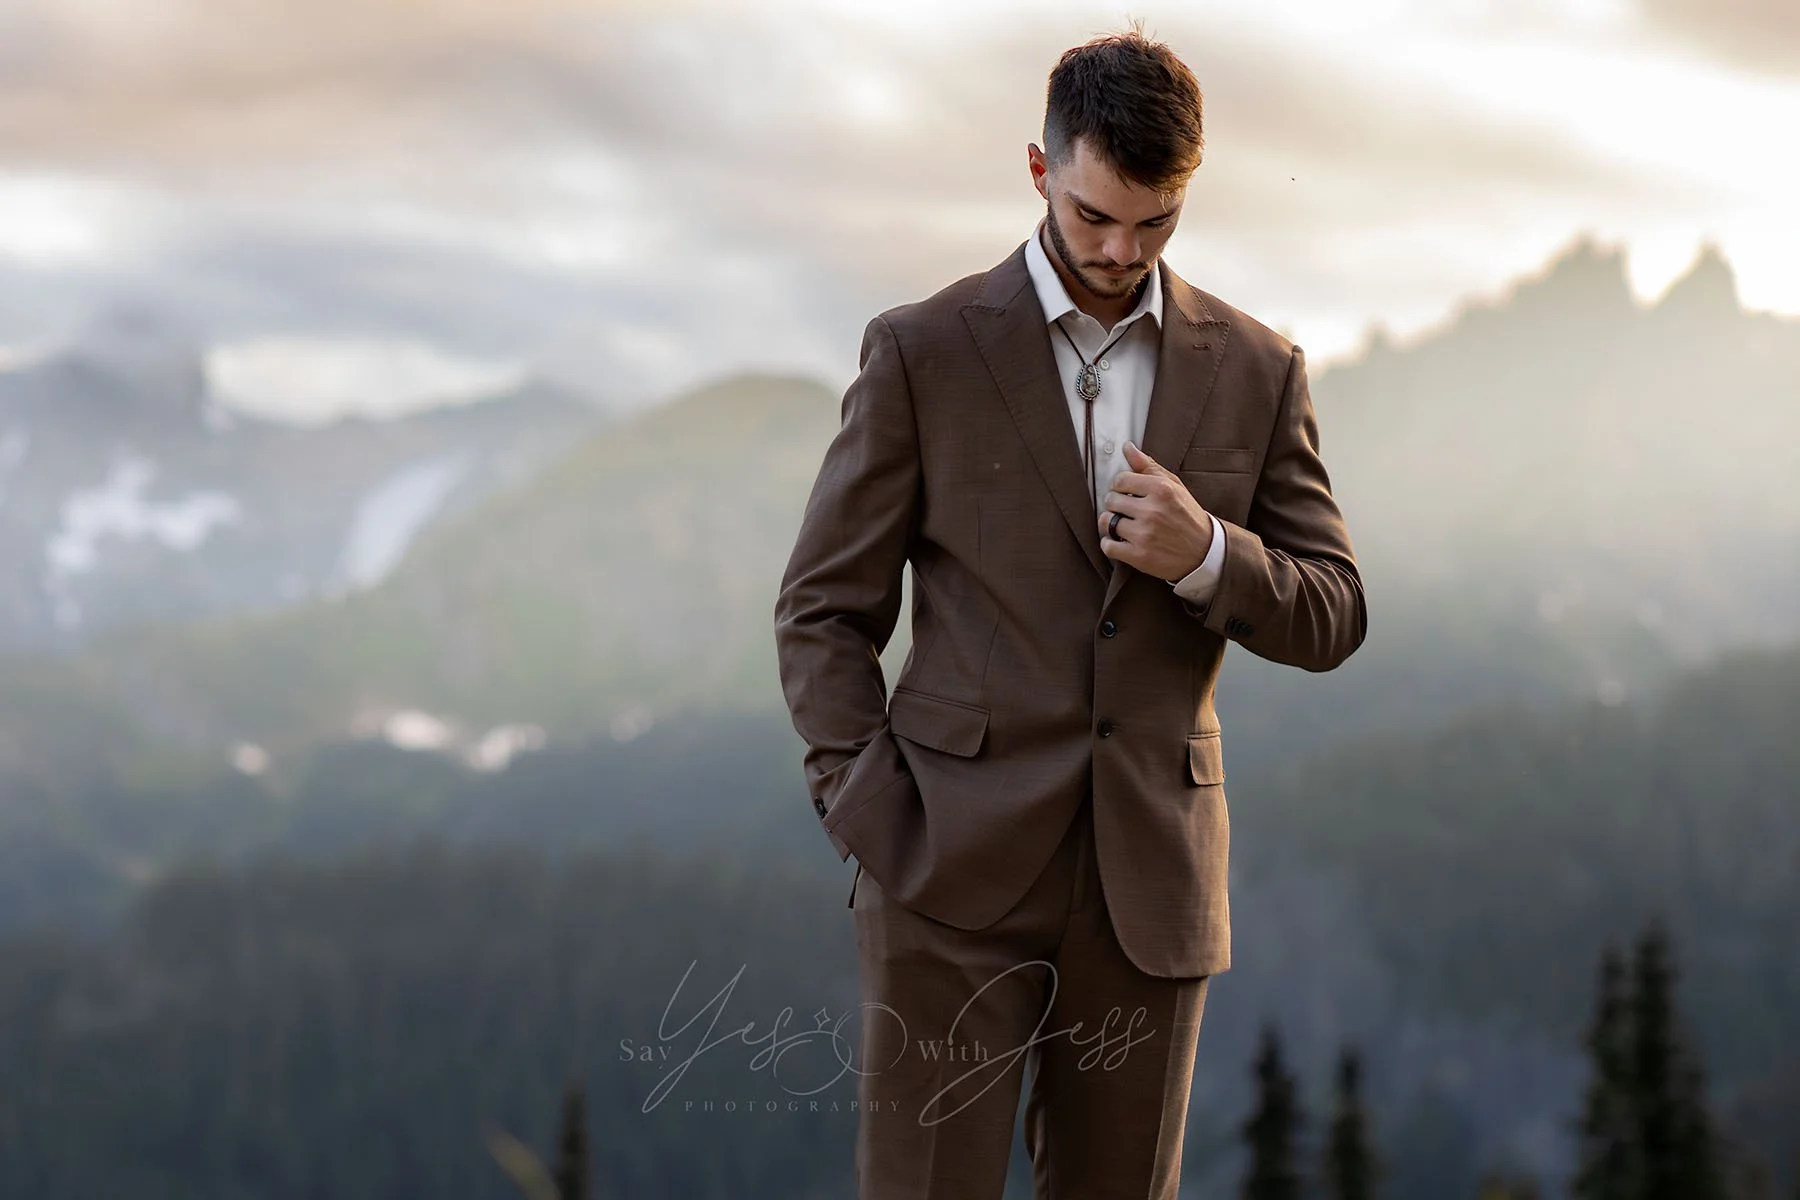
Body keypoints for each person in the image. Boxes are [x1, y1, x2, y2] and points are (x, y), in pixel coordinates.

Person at [773, 24, 1367, 1200]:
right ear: (1041, 171)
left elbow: (1333, 611)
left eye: (1154, 223)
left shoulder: (1259, 368)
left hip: (1150, 890)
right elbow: (821, 610)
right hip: (943, 873)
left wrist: (1208, 555)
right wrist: (872, 814)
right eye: (1095, 215)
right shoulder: (922, 352)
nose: (1119, 247)